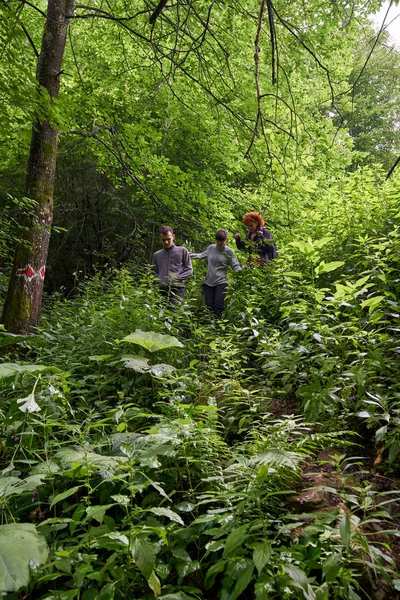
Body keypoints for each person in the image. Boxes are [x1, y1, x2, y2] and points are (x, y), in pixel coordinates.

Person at [190, 229, 241, 318]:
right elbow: (200, 256)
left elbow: (235, 266)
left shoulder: (229, 252)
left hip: (221, 282)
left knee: (218, 306)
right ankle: (210, 326)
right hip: (208, 282)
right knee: (209, 306)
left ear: (226, 240)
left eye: (221, 241)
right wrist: (187, 254)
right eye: (217, 240)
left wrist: (243, 271)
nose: (219, 243)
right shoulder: (211, 248)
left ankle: (219, 326)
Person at [152, 225, 193, 304]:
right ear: (160, 238)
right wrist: (159, 280)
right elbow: (153, 271)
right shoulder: (157, 255)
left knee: (173, 313)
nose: (166, 242)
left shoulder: (182, 251)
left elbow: (189, 269)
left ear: (173, 237)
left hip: (177, 289)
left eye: (168, 239)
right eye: (163, 240)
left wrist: (177, 278)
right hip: (162, 289)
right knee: (160, 314)